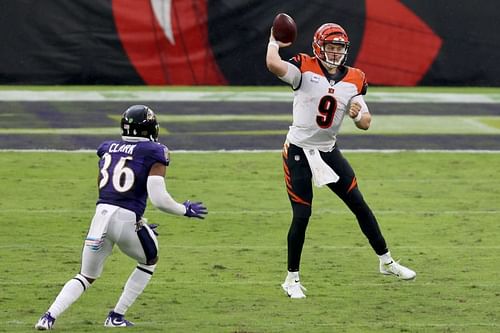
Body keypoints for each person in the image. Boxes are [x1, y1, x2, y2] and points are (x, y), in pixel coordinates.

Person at [266, 23, 416, 299]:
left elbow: (366, 123)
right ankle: (291, 279)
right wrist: (274, 41)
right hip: (299, 151)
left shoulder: (355, 78)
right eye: (331, 47)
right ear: (318, 46)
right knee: (302, 215)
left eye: (339, 48)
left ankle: (386, 261)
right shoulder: (305, 66)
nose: (335, 52)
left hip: (328, 151)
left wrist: (358, 115)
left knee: (359, 205)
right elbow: (274, 65)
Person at [35, 105, 207, 330]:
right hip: (126, 220)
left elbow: (102, 185)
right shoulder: (155, 151)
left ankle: (48, 317)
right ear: (150, 128)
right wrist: (184, 209)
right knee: (149, 261)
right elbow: (159, 199)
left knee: (86, 275)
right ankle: (116, 316)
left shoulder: (108, 148)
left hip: (101, 216)